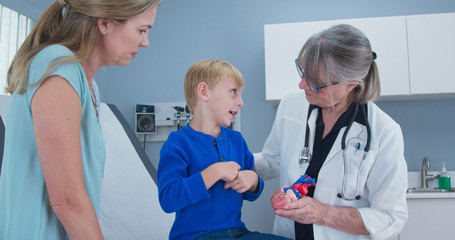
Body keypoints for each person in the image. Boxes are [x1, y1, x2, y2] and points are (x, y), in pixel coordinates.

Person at [0, 0, 160, 239]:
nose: (146, 42)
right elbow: (67, 200)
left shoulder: (88, 84)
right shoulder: (59, 67)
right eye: (142, 30)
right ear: (105, 23)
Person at [254, 24, 408, 240]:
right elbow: (271, 162)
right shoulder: (291, 106)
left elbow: (390, 217)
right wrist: (228, 161)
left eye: (316, 83)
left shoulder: (384, 132)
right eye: (303, 73)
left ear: (351, 84)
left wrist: (322, 214)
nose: (302, 85)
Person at [158, 60, 290, 240]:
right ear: (204, 92)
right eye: (233, 92)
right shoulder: (178, 143)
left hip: (238, 232)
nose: (241, 102)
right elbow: (168, 199)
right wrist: (214, 172)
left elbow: (250, 192)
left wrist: (253, 182)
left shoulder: (236, 140)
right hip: (195, 236)